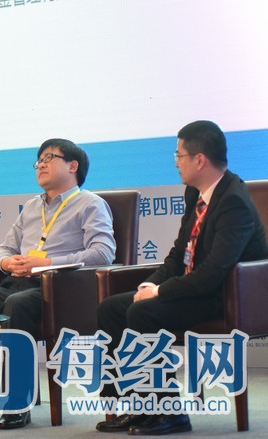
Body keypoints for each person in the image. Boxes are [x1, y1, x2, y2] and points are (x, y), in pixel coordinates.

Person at [95, 121, 267, 435]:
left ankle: (169, 413)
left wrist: (159, 294)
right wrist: (150, 284)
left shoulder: (233, 202)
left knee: (143, 312)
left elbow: (214, 272)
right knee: (112, 308)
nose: (176, 162)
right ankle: (139, 406)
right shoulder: (196, 194)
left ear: (199, 160)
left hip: (227, 295)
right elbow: (179, 254)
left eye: (179, 155)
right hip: (198, 289)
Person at [0, 138, 116, 430]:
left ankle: (18, 402)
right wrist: (7, 263)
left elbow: (102, 253)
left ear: (73, 166)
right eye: (38, 160)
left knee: (17, 305)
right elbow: (3, 249)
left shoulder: (90, 204)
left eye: (49, 158)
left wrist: (47, 263)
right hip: (16, 283)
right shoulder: (31, 207)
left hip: (60, 290)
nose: (40, 164)